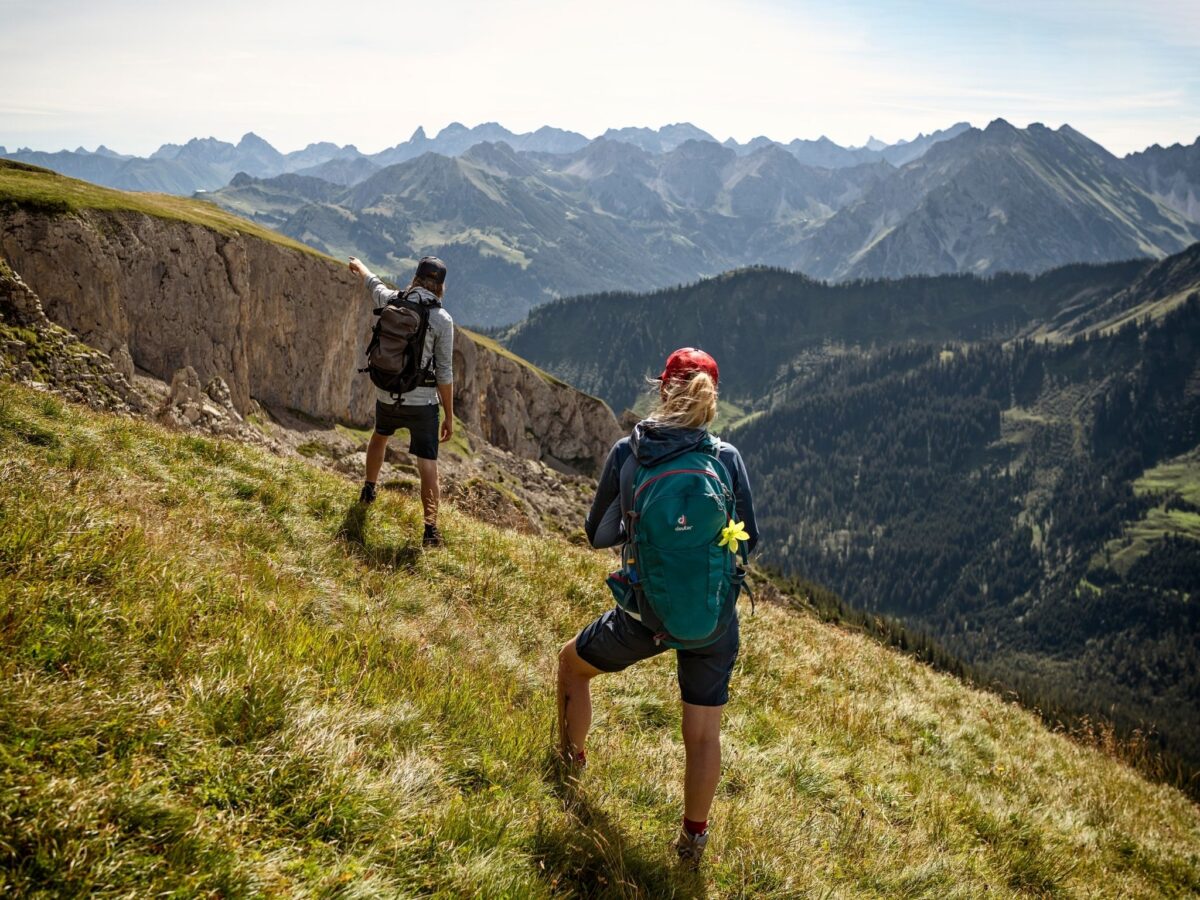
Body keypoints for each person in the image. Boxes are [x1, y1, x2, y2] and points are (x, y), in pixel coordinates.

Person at [556, 347, 759, 867]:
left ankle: (570, 768)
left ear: (663, 389)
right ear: (712, 398)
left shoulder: (630, 453)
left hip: (645, 616)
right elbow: (749, 540)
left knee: (571, 665)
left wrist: (646, 529)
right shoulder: (726, 458)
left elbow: (597, 534)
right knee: (703, 734)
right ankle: (692, 842)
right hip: (712, 619)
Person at [347, 254, 455, 547]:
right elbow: (444, 372)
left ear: (416, 278)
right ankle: (430, 531)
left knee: (379, 436)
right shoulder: (442, 320)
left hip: (387, 392)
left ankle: (369, 490)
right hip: (423, 404)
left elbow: (374, 284)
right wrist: (449, 415)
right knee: (427, 464)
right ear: (440, 286)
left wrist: (360, 266)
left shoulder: (393, 300)